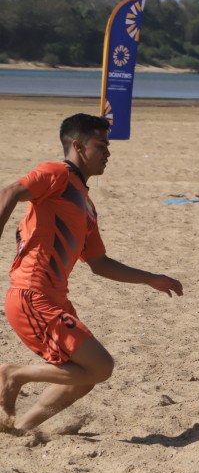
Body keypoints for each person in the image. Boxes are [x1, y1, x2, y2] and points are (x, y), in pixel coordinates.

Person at [0, 114, 183, 433]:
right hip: (32, 295)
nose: (108, 152)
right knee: (101, 366)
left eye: (108, 146)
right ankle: (14, 374)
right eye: (101, 145)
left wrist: (150, 278)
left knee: (84, 376)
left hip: (55, 301)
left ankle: (22, 429)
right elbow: (10, 191)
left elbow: (99, 263)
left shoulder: (86, 205)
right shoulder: (56, 173)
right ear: (77, 146)